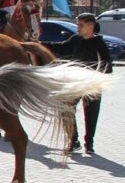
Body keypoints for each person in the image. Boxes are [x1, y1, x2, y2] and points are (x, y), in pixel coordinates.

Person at [44, 13, 113, 154]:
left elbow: (108, 66)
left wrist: (97, 77)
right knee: (65, 108)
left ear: (90, 26)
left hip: (92, 84)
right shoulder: (76, 39)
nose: (78, 28)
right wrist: (40, 45)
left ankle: (89, 143)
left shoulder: (99, 43)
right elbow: (61, 48)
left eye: (81, 25)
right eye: (78, 24)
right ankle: (73, 140)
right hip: (75, 82)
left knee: (91, 113)